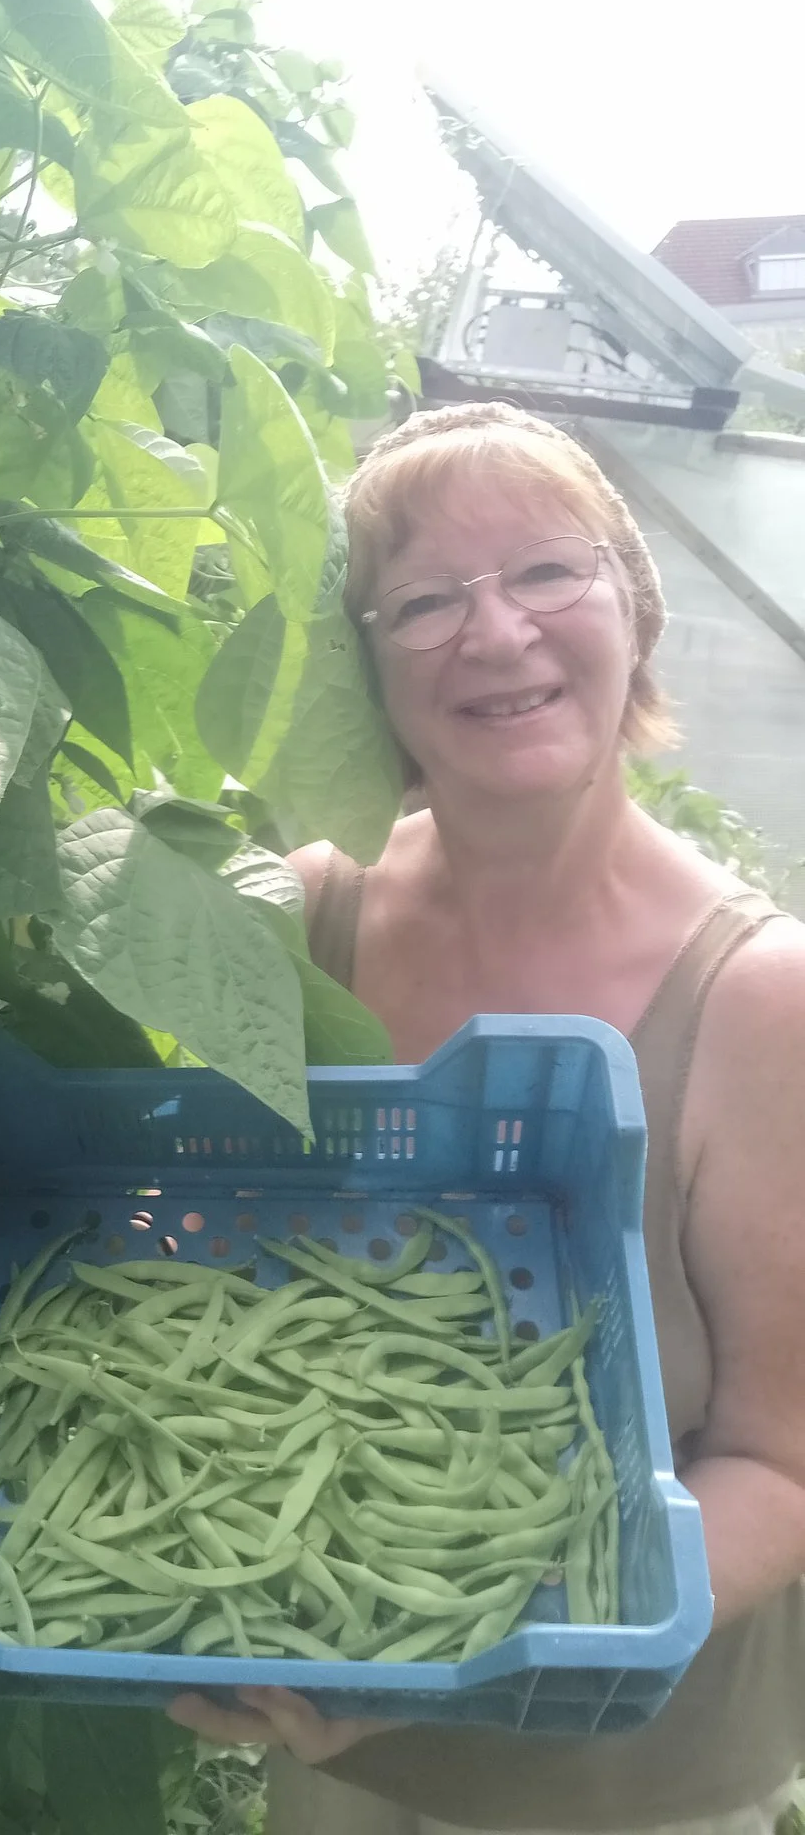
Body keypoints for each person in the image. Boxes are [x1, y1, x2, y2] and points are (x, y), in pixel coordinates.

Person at [167, 403, 805, 1834]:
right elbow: (226, 1281)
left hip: (628, 1776)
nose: (498, 632)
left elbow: (783, 1464)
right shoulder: (305, 914)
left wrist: (477, 1647)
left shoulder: (764, 1001)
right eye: (424, 602)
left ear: (635, 610)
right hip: (335, 1712)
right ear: (366, 670)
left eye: (549, 571)